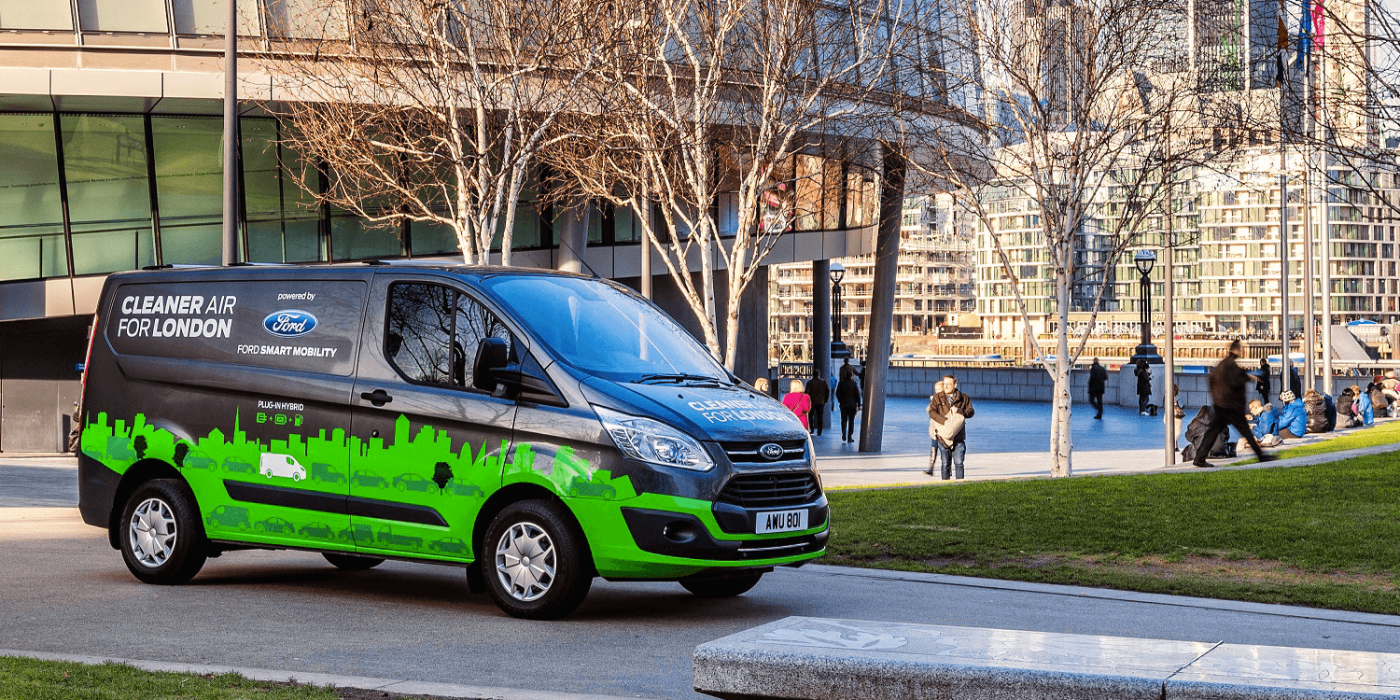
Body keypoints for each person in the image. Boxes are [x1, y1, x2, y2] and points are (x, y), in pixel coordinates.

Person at [1193, 340, 1275, 467]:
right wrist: (1249, 377)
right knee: (1245, 432)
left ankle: (1199, 458)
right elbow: (1237, 380)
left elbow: (1214, 380)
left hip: (1222, 406)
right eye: (1239, 350)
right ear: (1235, 350)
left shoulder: (1224, 364)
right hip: (1231, 407)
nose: (1240, 352)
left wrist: (1217, 399)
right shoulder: (1230, 365)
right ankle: (1261, 456)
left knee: (1212, 432)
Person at [926, 375, 975, 480]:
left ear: (955, 385)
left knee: (959, 463)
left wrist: (960, 411)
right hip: (943, 437)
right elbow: (931, 412)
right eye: (945, 384)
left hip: (958, 436)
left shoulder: (964, 398)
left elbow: (971, 412)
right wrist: (943, 421)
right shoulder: (937, 397)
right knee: (945, 464)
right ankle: (945, 485)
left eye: (949, 384)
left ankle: (959, 485)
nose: (946, 386)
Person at [835, 367, 862, 443]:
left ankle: (844, 433)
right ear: (852, 376)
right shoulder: (854, 384)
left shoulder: (841, 383)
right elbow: (857, 395)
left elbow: (837, 393)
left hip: (843, 405)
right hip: (852, 405)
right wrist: (859, 404)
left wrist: (840, 400)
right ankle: (849, 436)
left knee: (843, 420)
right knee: (851, 421)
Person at [805, 371, 830, 436]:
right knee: (820, 417)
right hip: (821, 402)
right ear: (819, 374)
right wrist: (825, 400)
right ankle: (819, 431)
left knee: (811, 416)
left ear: (813, 375)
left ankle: (812, 430)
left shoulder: (810, 382)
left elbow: (806, 392)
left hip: (812, 402)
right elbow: (827, 391)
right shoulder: (824, 382)